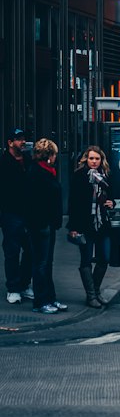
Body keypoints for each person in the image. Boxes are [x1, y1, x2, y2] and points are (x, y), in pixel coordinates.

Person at [68, 146, 115, 308]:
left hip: (102, 223)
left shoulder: (106, 176)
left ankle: (96, 291)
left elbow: (113, 195)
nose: (94, 162)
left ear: (101, 160)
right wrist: (73, 227)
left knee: (105, 258)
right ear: (86, 160)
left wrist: (111, 203)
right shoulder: (79, 176)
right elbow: (73, 203)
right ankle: (91, 296)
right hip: (85, 224)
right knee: (86, 259)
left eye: (97, 159)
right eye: (91, 158)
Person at [24, 138, 66, 314]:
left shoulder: (47, 171)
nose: (56, 157)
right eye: (54, 154)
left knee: (47, 263)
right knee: (41, 263)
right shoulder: (37, 173)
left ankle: (49, 298)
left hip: (47, 224)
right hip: (40, 225)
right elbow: (35, 202)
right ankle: (40, 301)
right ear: (49, 155)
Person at [0, 128, 33, 304]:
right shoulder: (4, 161)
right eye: (18, 139)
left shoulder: (28, 160)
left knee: (30, 250)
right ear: (10, 142)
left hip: (28, 212)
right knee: (12, 251)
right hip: (10, 213)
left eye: (23, 139)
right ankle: (13, 288)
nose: (22, 142)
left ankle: (24, 284)